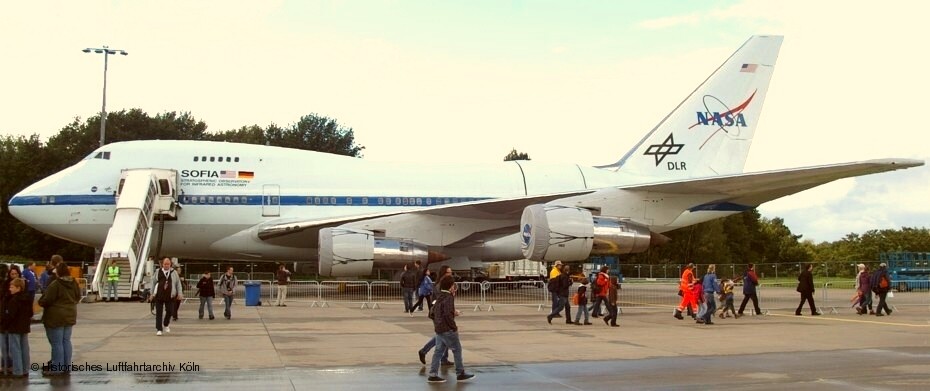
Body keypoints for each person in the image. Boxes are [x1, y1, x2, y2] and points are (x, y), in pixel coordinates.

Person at [426, 276, 475, 383]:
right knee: (457, 349)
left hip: (439, 328)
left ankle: (433, 373)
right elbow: (447, 314)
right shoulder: (448, 297)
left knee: (438, 351)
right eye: (453, 285)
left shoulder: (439, 296)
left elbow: (433, 312)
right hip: (447, 329)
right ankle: (460, 372)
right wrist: (453, 327)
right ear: (450, 286)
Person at [38, 263, 80, 376]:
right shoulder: (74, 282)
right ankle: (66, 366)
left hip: (55, 316)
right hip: (70, 314)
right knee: (66, 341)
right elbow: (78, 296)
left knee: (57, 343)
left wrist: (41, 301)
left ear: (58, 272)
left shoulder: (56, 284)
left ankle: (57, 368)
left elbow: (46, 300)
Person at [1, 278, 32, 378]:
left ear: (18, 288)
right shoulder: (27, 298)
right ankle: (25, 369)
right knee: (24, 348)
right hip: (24, 327)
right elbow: (30, 313)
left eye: (12, 287)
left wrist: (4, 324)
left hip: (14, 327)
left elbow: (10, 315)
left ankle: (17, 371)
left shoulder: (14, 300)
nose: (10, 289)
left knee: (15, 349)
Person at [150, 258, 183, 335]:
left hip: (170, 296)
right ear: (162, 264)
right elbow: (153, 283)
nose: (166, 265)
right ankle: (159, 329)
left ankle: (166, 323)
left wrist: (180, 293)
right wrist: (151, 294)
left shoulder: (174, 272)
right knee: (159, 313)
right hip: (159, 295)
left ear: (170, 264)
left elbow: (178, 284)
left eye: (168, 264)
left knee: (170, 311)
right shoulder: (158, 272)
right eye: (165, 264)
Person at [0, 266, 22, 376]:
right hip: (6, 320)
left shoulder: (17, 295)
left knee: (13, 346)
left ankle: (14, 367)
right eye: (12, 274)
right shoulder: (6, 287)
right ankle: (6, 365)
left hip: (11, 322)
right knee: (6, 345)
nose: (13, 275)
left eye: (15, 274)